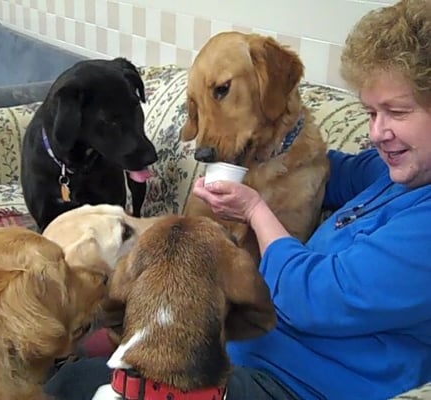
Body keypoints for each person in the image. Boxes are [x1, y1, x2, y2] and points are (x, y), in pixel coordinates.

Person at [43, 0, 431, 398]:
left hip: (295, 385)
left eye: (397, 112)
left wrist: (255, 211)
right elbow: (325, 168)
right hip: (235, 352)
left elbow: (315, 298)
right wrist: (269, 151)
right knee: (70, 380)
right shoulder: (397, 172)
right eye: (370, 113)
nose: (379, 133)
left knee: (71, 386)